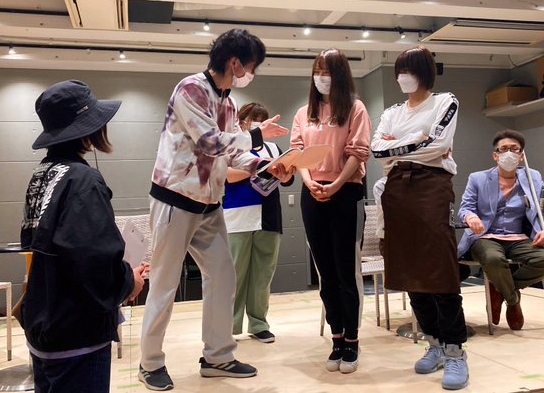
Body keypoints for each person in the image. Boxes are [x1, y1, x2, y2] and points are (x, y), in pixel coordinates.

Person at [138, 29, 289, 391]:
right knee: (164, 283)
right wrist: (258, 136)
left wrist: (266, 166)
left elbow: (233, 153)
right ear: (235, 62)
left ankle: (218, 356)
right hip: (174, 199)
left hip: (208, 204)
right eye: (251, 66)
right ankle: (150, 363)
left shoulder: (229, 104)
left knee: (223, 276)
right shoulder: (190, 89)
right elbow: (210, 142)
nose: (252, 73)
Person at [20, 80, 146, 393]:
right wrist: (129, 282)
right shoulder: (84, 180)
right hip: (77, 334)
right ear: (89, 129)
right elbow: (94, 265)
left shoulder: (43, 174)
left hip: (44, 324)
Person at [371, 46, 468, 390]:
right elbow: (376, 150)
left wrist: (398, 146)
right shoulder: (392, 112)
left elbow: (439, 145)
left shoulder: (445, 102)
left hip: (432, 185)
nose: (403, 77)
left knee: (439, 269)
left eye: (409, 70)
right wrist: (415, 140)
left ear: (425, 72)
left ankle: (455, 350)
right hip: (396, 188)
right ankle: (434, 343)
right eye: (399, 70)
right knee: (409, 270)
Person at [290, 48, 371, 374]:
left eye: (327, 71)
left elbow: (358, 152)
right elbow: (297, 152)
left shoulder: (355, 108)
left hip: (345, 191)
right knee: (325, 272)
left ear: (339, 75)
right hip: (312, 193)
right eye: (317, 70)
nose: (321, 77)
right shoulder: (304, 112)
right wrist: (309, 181)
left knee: (345, 272)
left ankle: (352, 340)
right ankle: (336, 337)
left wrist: (336, 184)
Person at [457, 129, 544, 330]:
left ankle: (499, 289)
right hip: (485, 237)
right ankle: (513, 301)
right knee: (493, 259)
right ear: (495, 155)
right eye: (504, 149)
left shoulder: (533, 177)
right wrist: (471, 217)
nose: (509, 153)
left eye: (515, 149)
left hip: (519, 238)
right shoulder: (478, 178)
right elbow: (465, 208)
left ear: (522, 155)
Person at [224, 102, 295, 343]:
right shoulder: (233, 144)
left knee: (263, 274)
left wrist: (286, 172)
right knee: (234, 274)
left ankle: (258, 323)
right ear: (241, 121)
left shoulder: (273, 148)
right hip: (237, 216)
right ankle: (229, 326)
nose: (257, 123)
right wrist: (262, 168)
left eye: (262, 120)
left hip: (269, 216)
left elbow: (286, 179)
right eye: (253, 119)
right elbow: (227, 176)